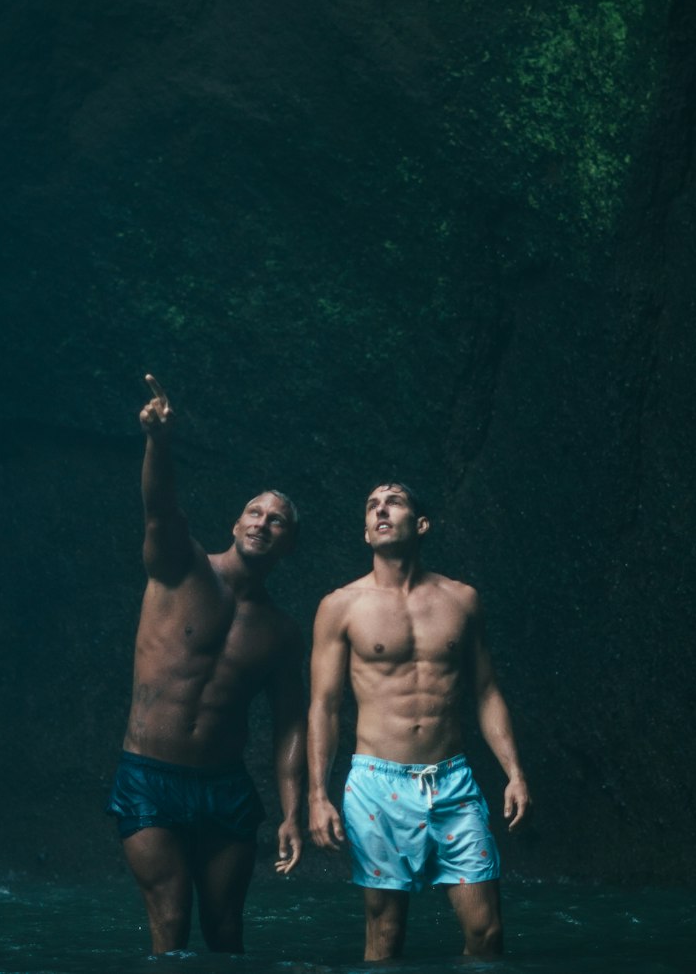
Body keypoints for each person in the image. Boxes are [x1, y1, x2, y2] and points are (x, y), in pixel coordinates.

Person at [106, 375, 305, 954]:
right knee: (171, 920)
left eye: (276, 521)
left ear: (288, 544)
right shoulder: (181, 567)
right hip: (149, 777)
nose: (261, 523)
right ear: (235, 523)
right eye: (253, 512)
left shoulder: (283, 633)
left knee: (225, 930)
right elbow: (159, 506)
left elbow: (292, 725)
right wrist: (158, 441)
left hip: (224, 786)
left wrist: (293, 813)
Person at [308, 482, 530, 961]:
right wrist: (316, 794)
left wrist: (514, 772)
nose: (381, 510)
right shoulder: (340, 606)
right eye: (371, 506)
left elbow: (487, 691)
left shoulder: (462, 600)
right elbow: (323, 706)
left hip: (452, 781)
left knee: (487, 933)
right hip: (375, 784)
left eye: (394, 502)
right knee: (385, 934)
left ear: (421, 524)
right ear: (367, 533)